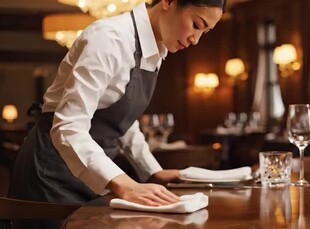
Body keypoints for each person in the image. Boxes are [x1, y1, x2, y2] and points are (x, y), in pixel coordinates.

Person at [9, 0, 225, 208]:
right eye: (196, 25)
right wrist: (125, 184)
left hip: (94, 173)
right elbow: (68, 126)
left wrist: (152, 170)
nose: (196, 39)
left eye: (204, 33)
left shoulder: (158, 48)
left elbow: (122, 119)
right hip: (51, 170)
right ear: (169, 2)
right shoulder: (109, 39)